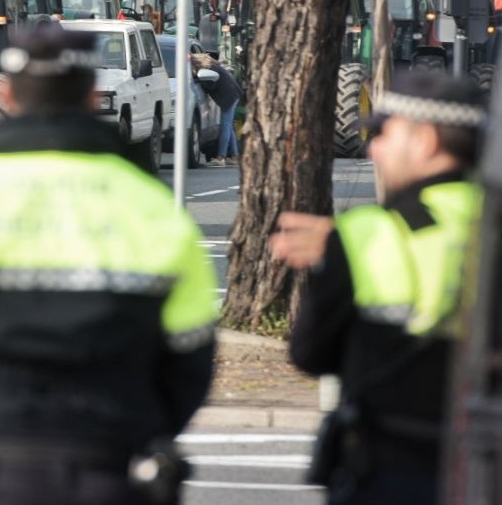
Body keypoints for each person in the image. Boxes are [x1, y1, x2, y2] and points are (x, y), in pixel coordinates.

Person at [0, 23, 217, 505]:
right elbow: (192, 355)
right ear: (91, 96)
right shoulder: (152, 208)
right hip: (115, 460)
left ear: (8, 95)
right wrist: (147, 429)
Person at [271, 72, 485, 505]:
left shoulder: (368, 235)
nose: (373, 149)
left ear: (425, 141)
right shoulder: (489, 224)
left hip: (393, 467)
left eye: (384, 134)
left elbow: (310, 353)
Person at [193, 52, 243, 164]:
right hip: (233, 95)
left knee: (225, 127)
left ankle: (221, 157)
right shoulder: (214, 67)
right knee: (229, 127)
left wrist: (197, 80)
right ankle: (235, 156)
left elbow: (211, 85)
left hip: (229, 97)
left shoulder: (211, 70)